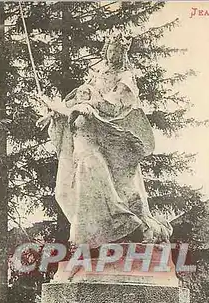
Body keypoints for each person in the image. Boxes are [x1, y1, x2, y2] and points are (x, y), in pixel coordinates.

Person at [35, 30, 173, 249]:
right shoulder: (98, 72)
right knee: (67, 190)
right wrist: (55, 113)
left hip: (111, 137)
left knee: (105, 184)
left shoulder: (126, 79)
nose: (113, 54)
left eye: (118, 50)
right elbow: (81, 97)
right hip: (85, 135)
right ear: (106, 50)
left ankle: (120, 229)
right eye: (110, 49)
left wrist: (89, 106)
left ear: (123, 53)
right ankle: (94, 234)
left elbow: (116, 103)